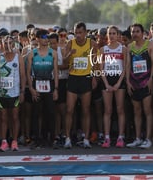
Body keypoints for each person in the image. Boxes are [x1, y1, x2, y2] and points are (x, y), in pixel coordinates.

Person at [63, 21, 98, 149]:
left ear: (85, 32)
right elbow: (65, 62)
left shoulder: (92, 44)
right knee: (69, 109)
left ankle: (86, 138)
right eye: (76, 32)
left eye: (80, 33)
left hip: (86, 78)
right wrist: (69, 54)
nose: (78, 35)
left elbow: (96, 62)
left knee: (86, 110)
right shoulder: (70, 43)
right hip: (73, 78)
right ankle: (67, 138)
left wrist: (94, 77)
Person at [0, 35, 26, 151]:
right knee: (3, 117)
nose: (7, 45)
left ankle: (15, 141)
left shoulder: (18, 57)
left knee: (15, 117)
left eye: (10, 43)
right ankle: (4, 141)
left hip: (15, 93)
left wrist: (22, 91)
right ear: (1, 44)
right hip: (3, 93)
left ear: (13, 44)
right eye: (5, 43)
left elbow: (22, 75)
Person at [125, 23, 153, 149]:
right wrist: (127, 82)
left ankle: (148, 139)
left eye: (137, 31)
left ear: (143, 33)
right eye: (133, 31)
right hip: (134, 82)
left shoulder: (150, 45)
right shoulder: (129, 47)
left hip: (146, 82)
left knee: (147, 110)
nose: (135, 34)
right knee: (136, 111)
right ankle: (138, 138)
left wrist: (151, 79)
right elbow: (127, 65)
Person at [26, 29, 59, 148]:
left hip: (49, 84)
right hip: (37, 84)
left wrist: (56, 89)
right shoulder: (32, 54)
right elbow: (28, 73)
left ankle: (51, 138)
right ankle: (37, 138)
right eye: (44, 37)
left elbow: (55, 72)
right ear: (38, 39)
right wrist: (31, 89)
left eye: (47, 37)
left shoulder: (53, 53)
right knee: (36, 113)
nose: (46, 39)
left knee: (50, 112)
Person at [100, 25, 127, 148]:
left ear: (118, 35)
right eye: (110, 33)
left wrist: (117, 84)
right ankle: (107, 137)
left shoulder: (123, 49)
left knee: (120, 109)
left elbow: (125, 67)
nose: (111, 35)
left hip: (119, 80)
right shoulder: (103, 49)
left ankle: (120, 137)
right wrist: (106, 84)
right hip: (107, 80)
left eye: (114, 33)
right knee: (108, 110)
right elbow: (101, 69)